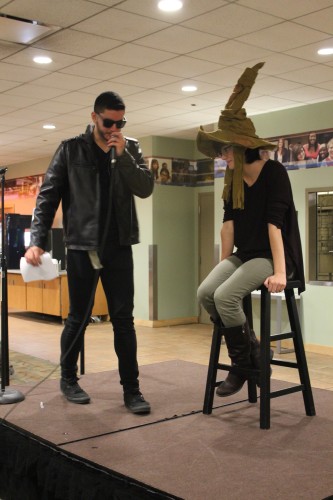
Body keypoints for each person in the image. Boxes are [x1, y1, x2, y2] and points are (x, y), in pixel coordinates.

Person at [24, 91, 154, 414]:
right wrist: (37, 240)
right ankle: (68, 379)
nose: (114, 128)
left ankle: (132, 390)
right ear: (94, 117)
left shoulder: (131, 148)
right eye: (108, 122)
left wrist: (123, 156)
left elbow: (145, 187)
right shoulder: (71, 150)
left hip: (119, 246)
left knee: (123, 320)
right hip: (82, 247)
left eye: (120, 122)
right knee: (78, 318)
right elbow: (47, 198)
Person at [196, 63, 305, 397]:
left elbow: (276, 225)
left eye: (227, 149)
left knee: (227, 296)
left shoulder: (274, 173)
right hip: (245, 255)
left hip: (273, 256)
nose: (223, 156)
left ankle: (243, 367)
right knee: (207, 293)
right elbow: (227, 226)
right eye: (222, 150)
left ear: (244, 147)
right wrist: (225, 263)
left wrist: (282, 272)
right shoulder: (233, 180)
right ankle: (255, 354)